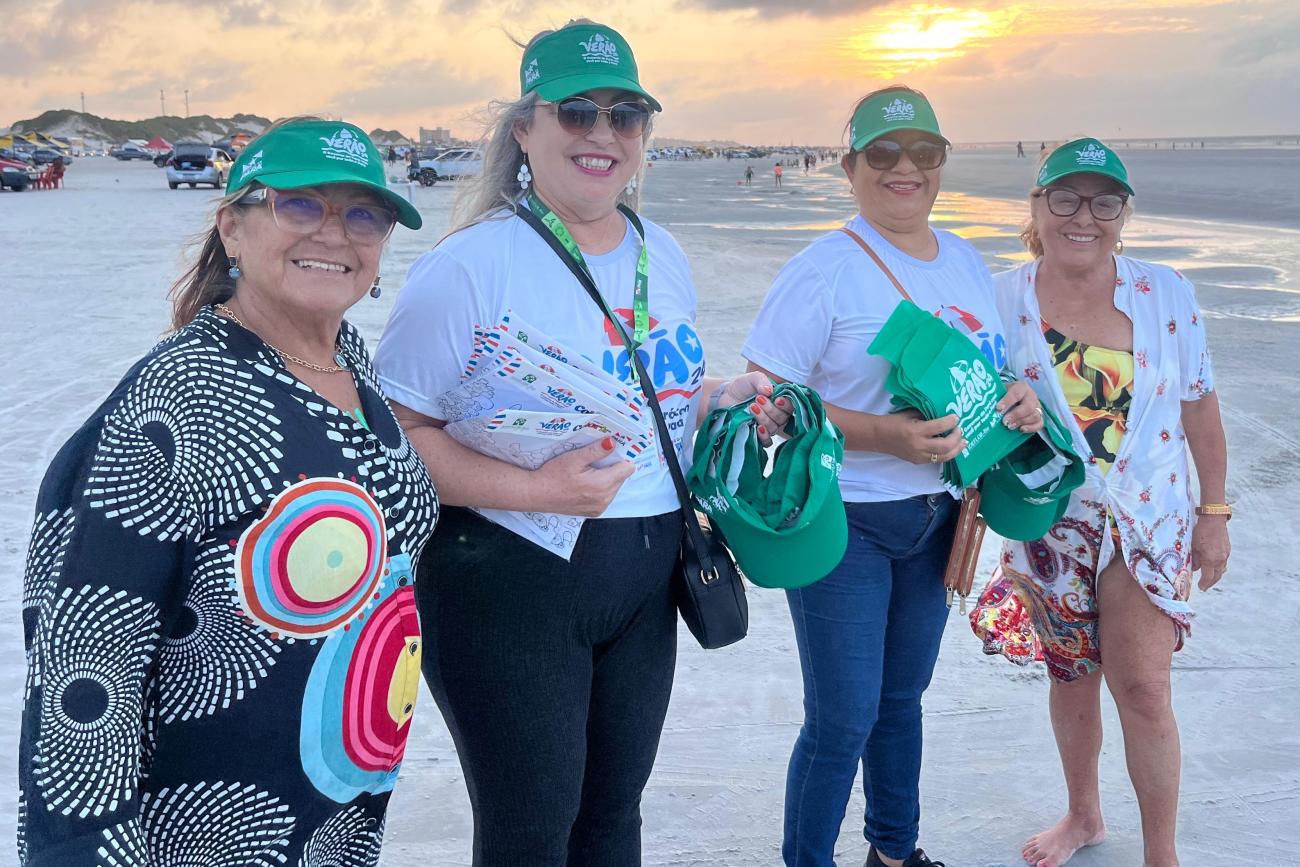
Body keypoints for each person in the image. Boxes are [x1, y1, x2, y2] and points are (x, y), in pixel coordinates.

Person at [373, 20, 787, 865]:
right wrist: (538, 490)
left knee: (612, 820)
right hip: (508, 576)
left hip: (646, 571)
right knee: (531, 832)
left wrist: (723, 397)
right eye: (576, 112)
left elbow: (653, 395)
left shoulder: (661, 251)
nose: (602, 133)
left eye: (625, 114)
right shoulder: (468, 266)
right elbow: (393, 438)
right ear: (525, 129)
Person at [17, 118, 437, 865]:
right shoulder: (175, 402)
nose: (334, 233)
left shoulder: (347, 359)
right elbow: (82, 664)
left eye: (363, 214)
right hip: (209, 828)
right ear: (232, 228)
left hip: (331, 820)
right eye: (299, 204)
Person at [742, 86, 1043, 867]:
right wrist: (884, 436)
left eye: (922, 152)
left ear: (941, 162)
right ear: (850, 167)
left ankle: (894, 852)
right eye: (882, 152)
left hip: (939, 517)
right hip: (843, 521)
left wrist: (1017, 398)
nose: (903, 167)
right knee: (842, 716)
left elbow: (987, 372)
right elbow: (766, 396)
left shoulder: (967, 261)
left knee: (901, 701)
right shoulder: (824, 269)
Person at [970, 138, 1229, 867]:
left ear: (1124, 214)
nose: (1083, 216)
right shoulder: (999, 300)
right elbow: (967, 404)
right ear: (1036, 207)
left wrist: (1213, 514)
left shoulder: (1165, 293)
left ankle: (1161, 854)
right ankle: (1083, 814)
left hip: (1148, 518)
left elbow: (1200, 406)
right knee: (1073, 675)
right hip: (1050, 522)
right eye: (1065, 198)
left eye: (1104, 202)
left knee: (1143, 688)